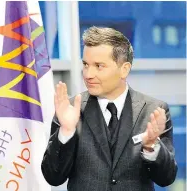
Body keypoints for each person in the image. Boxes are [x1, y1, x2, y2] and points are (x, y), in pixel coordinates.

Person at [41, 26, 177, 191]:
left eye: (99, 66)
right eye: (85, 64)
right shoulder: (69, 110)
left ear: (124, 69)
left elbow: (166, 178)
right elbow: (53, 177)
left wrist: (150, 146)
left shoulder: (154, 111)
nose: (88, 74)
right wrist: (66, 132)